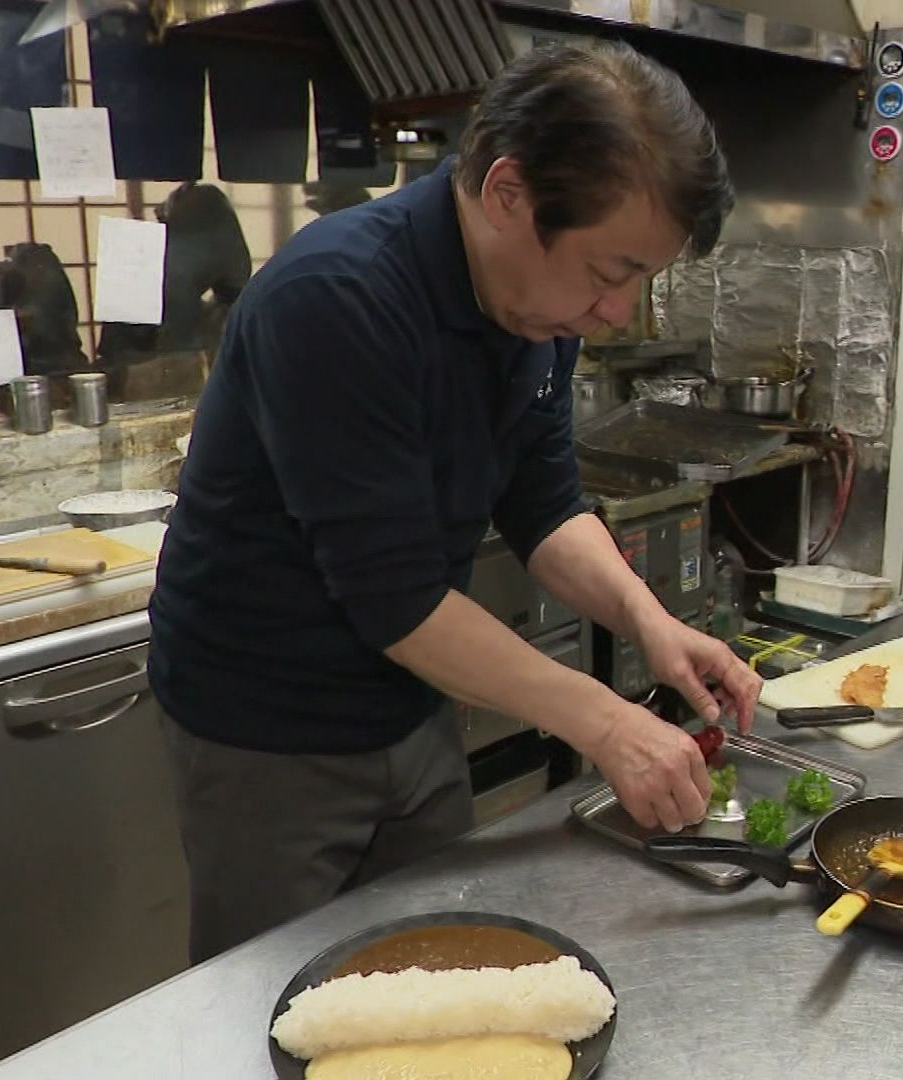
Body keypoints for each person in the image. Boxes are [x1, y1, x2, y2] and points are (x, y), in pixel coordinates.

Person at [149, 41, 760, 962]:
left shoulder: (536, 309)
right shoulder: (339, 297)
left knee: (437, 969)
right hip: (268, 731)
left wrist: (649, 622)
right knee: (273, 1004)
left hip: (414, 703)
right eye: (609, 273)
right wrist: (605, 721)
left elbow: (546, 505)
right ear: (508, 194)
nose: (616, 314)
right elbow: (394, 597)